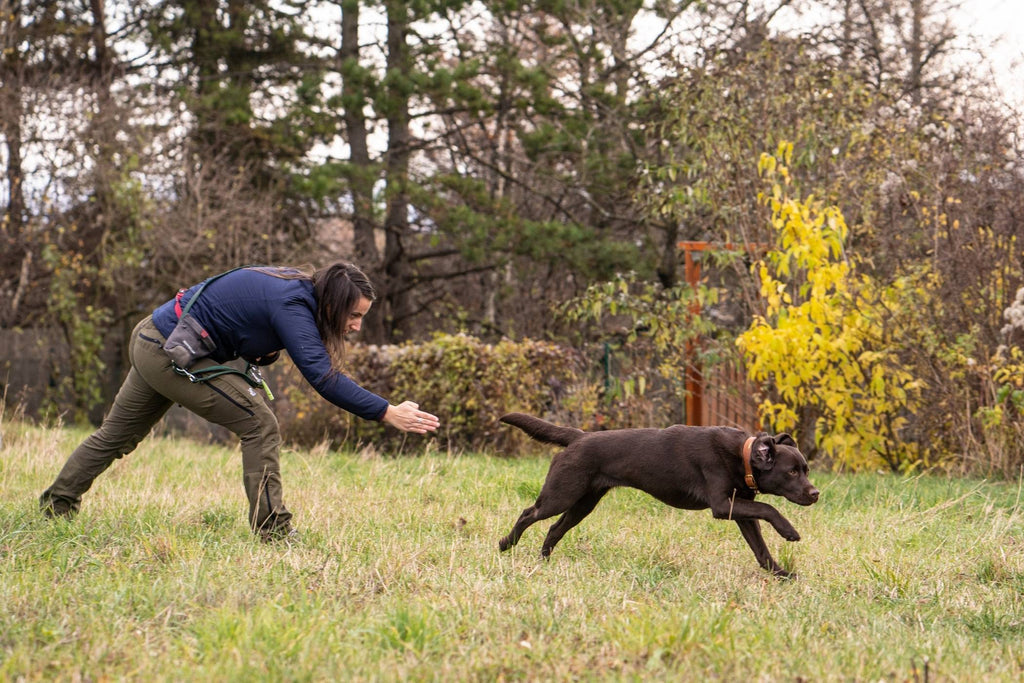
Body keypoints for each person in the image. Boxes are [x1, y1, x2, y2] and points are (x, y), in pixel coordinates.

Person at [39, 262, 440, 540]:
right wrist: (386, 411)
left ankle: (55, 504)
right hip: (166, 351)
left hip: (153, 337)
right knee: (259, 423)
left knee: (116, 434)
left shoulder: (296, 288)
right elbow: (323, 377)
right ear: (332, 303)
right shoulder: (293, 304)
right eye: (354, 315)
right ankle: (272, 530)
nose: (356, 325)